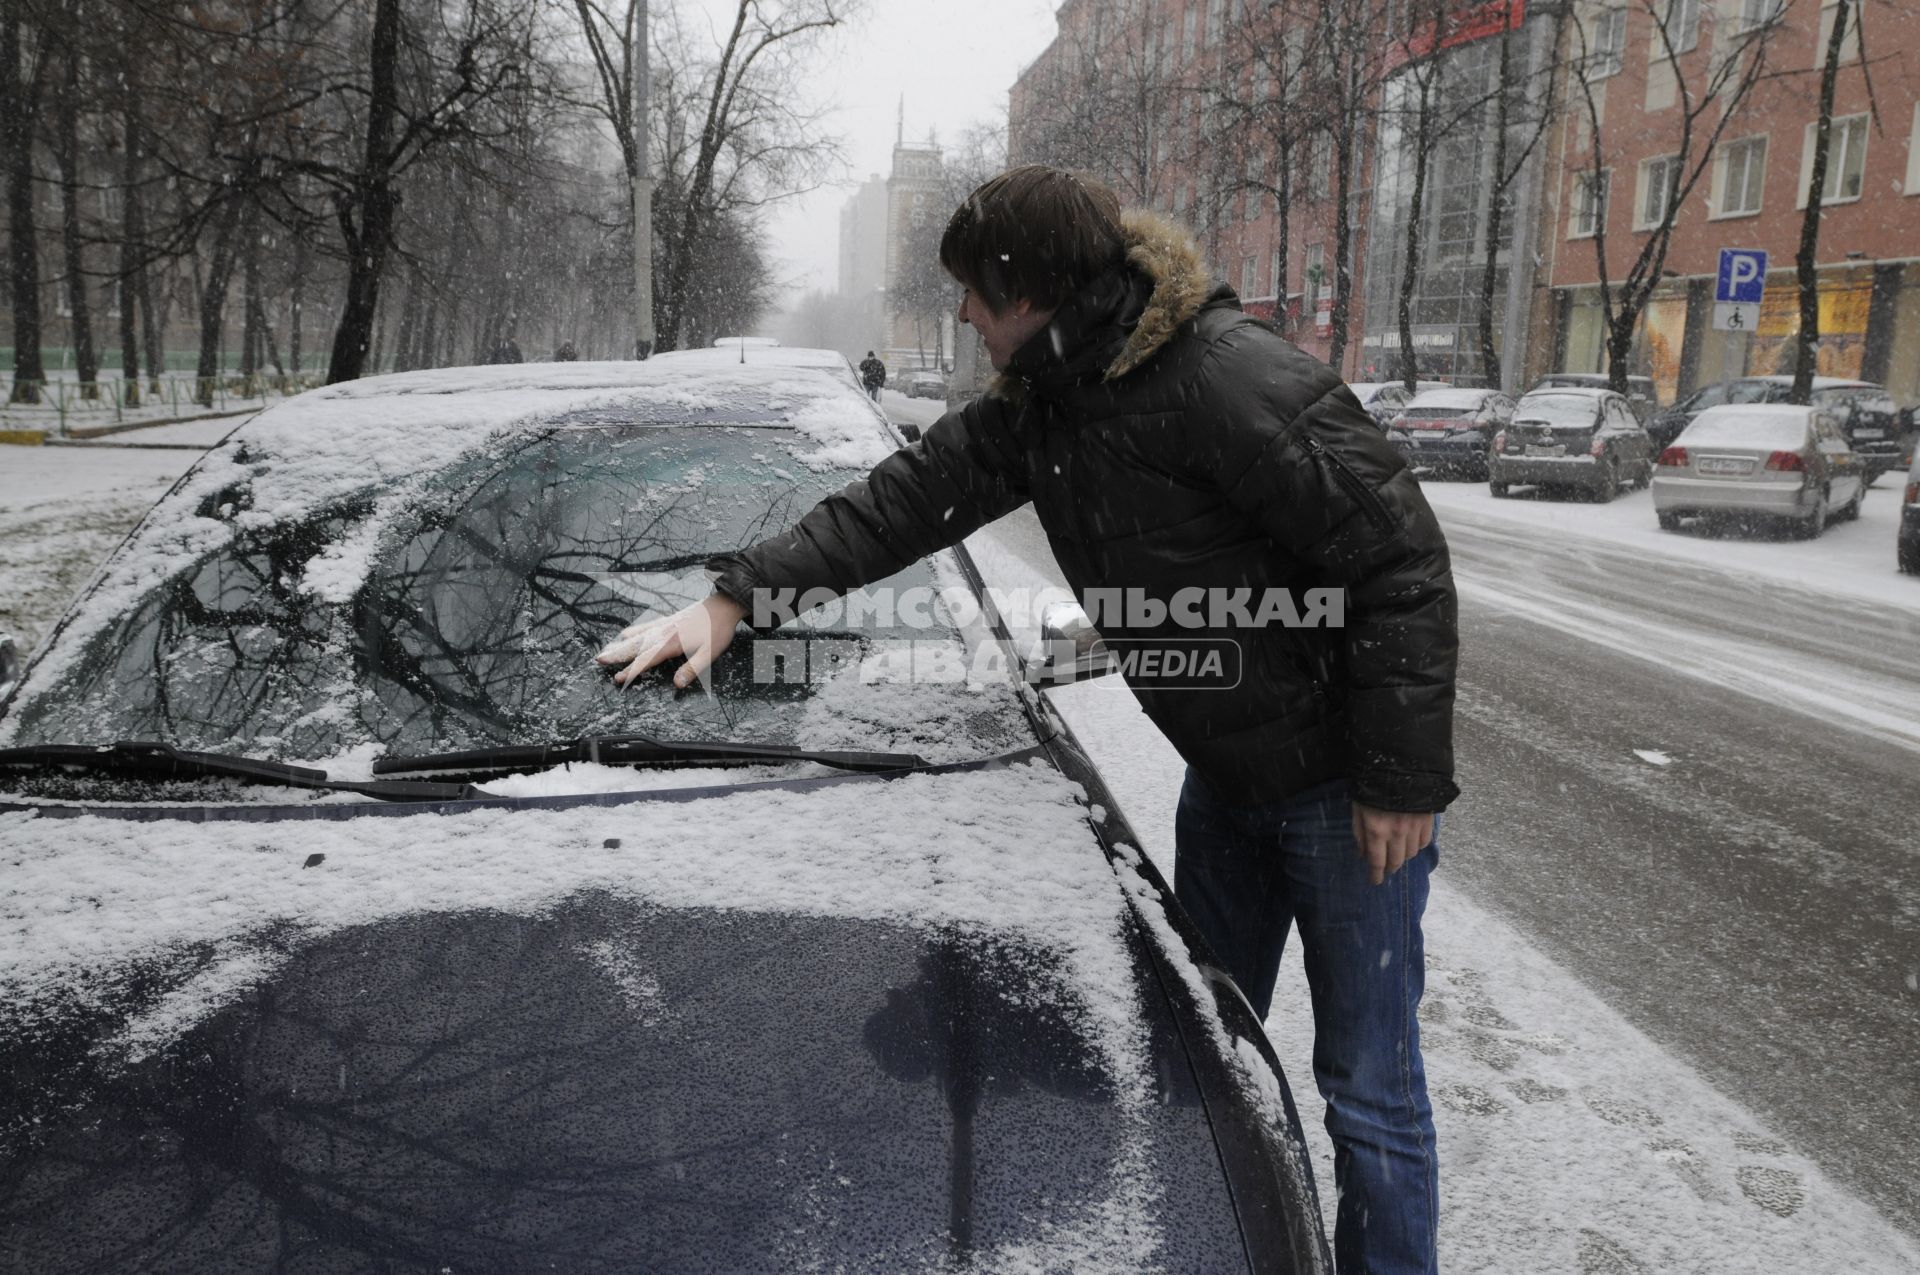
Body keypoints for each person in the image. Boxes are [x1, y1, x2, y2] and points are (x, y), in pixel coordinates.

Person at [594, 165, 1456, 1275]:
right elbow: (901, 503)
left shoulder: (1230, 381)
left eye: (972, 292)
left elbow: (1401, 560)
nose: (959, 312)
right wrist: (732, 601)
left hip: (1346, 797)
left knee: (1369, 1094)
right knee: (1195, 1065)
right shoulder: (1050, 399)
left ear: (1030, 289)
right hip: (1227, 787)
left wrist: (1398, 776)